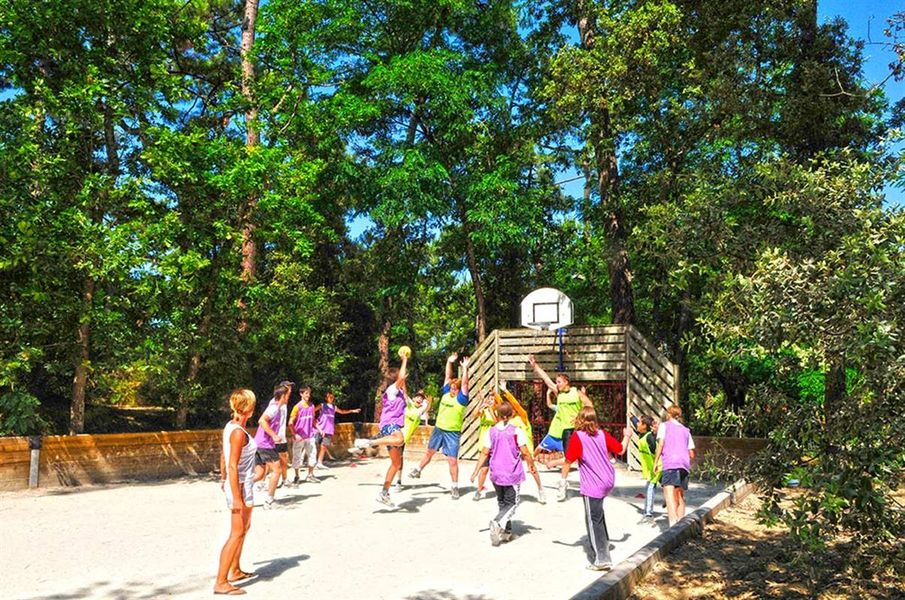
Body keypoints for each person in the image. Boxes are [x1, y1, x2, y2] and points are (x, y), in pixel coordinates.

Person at [559, 407, 632, 571]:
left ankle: (602, 558)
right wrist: (627, 435)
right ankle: (604, 544)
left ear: (580, 420)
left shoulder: (578, 437)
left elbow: (568, 461)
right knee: (598, 514)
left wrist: (562, 482)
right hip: (608, 479)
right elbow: (621, 449)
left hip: (593, 483)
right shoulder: (602, 434)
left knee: (593, 520)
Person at [470, 402, 537, 546]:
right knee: (512, 503)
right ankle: (497, 522)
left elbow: (484, 452)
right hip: (511, 473)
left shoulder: (491, 432)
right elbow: (525, 452)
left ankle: (506, 532)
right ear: (511, 415)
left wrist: (476, 470)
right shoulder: (516, 431)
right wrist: (531, 465)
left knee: (502, 502)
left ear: (497, 415)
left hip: (496, 473)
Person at [215, 389, 261, 595]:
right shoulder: (237, 432)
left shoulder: (234, 427)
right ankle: (221, 582)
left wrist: (223, 477)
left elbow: (224, 455)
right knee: (236, 533)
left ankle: (234, 570)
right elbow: (232, 464)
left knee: (244, 528)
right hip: (239, 486)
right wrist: (235, 497)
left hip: (245, 484)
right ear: (248, 408)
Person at [350, 349, 410, 507]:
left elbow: (403, 383)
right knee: (400, 439)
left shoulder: (400, 393)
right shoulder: (391, 391)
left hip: (392, 425)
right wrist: (404, 360)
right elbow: (401, 378)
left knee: (396, 464)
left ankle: (384, 493)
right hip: (390, 424)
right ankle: (368, 442)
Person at [408, 352, 471, 499]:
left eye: (455, 388)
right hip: (439, 429)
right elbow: (447, 376)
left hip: (452, 433)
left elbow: (465, 384)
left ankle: (454, 487)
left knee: (452, 461)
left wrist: (465, 368)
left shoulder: (462, 399)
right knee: (429, 452)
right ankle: (418, 469)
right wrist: (449, 362)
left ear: (459, 390)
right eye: (451, 387)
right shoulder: (446, 393)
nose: (452, 389)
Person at [528, 354, 592, 457]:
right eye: (556, 382)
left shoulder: (577, 393)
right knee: (568, 456)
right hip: (565, 430)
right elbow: (546, 378)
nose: (557, 384)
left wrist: (580, 416)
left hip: (576, 428)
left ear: (566, 382)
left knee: (584, 452)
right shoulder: (559, 392)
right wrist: (535, 365)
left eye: (559, 382)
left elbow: (589, 405)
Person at [496, 381, 547, 504]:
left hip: (526, 448)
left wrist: (506, 391)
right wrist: (496, 394)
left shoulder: (523, 417)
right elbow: (500, 406)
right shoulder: (507, 421)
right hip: (514, 450)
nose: (512, 410)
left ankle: (540, 489)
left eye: (513, 409)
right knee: (512, 470)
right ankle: (513, 493)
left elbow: (517, 405)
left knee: (532, 469)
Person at [252, 381, 292, 509]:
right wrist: (273, 435)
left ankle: (238, 487)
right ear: (283, 396)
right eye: (288, 394)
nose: (289, 397)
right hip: (265, 444)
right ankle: (269, 501)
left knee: (259, 474)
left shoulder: (278, 408)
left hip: (259, 443)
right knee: (277, 470)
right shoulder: (274, 408)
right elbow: (262, 420)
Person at [654, 405, 695, 525]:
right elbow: (691, 453)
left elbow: (661, 444)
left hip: (671, 462)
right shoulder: (686, 430)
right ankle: (681, 524)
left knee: (669, 494)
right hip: (684, 464)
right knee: (680, 495)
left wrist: (656, 462)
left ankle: (672, 524)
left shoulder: (664, 426)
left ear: (668, 414)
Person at [394, 389, 432, 492]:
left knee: (398, 459)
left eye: (421, 398)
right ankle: (363, 445)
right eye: (417, 397)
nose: (419, 399)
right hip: (395, 431)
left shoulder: (419, 411)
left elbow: (427, 405)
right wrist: (402, 382)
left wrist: (424, 398)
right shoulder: (409, 405)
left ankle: (398, 481)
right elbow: (405, 393)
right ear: (413, 398)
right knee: (380, 440)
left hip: (402, 439)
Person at [315, 391, 361, 469]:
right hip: (319, 428)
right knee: (313, 444)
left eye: (332, 397)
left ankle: (319, 462)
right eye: (329, 397)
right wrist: (313, 420)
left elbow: (342, 412)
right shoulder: (322, 405)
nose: (331, 398)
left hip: (328, 430)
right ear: (326, 398)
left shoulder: (334, 407)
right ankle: (307, 460)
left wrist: (352, 411)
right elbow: (312, 411)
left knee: (323, 446)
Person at [630, 415, 660, 521]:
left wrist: (655, 434)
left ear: (644, 426)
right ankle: (669, 501)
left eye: (639, 422)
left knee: (650, 488)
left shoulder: (649, 437)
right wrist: (631, 417)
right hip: (652, 469)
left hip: (658, 467)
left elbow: (658, 446)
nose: (637, 424)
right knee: (658, 487)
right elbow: (635, 423)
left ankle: (648, 514)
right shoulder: (642, 434)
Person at [472, 392, 500, 501]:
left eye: (492, 399)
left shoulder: (498, 411)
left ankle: (501, 489)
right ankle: (479, 490)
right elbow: (474, 414)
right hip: (484, 443)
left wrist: (491, 409)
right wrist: (481, 402)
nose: (490, 401)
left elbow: (496, 422)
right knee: (484, 469)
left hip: (495, 445)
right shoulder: (484, 410)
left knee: (497, 470)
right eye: (489, 399)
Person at [288, 386, 319, 484]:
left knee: (312, 454)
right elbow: (290, 422)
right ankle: (297, 476)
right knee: (297, 456)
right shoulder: (297, 407)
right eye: (306, 393)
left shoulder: (311, 406)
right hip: (299, 437)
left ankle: (310, 475)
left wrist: (319, 429)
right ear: (301, 394)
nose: (308, 395)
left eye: (309, 393)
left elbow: (313, 420)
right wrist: (294, 434)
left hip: (310, 435)